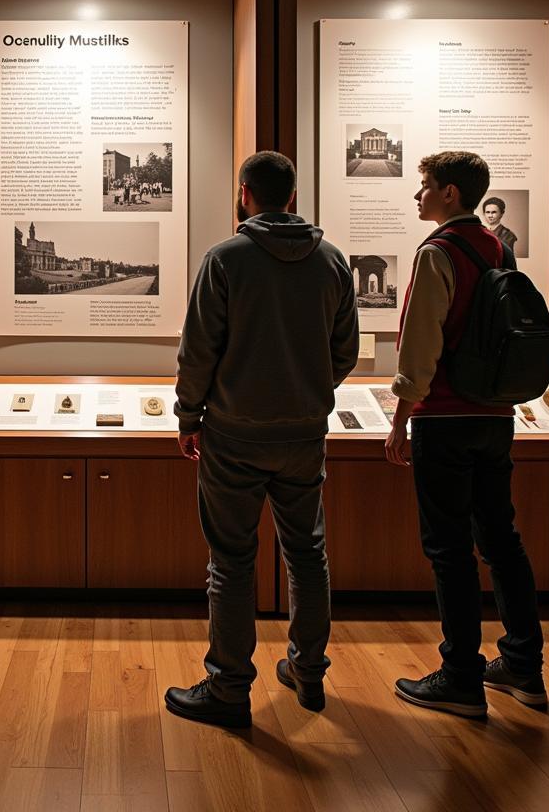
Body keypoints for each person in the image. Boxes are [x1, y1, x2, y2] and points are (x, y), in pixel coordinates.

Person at [164, 151, 359, 727]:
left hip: (232, 435)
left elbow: (199, 347)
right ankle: (309, 670)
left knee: (231, 560)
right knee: (307, 554)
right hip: (303, 434)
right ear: (291, 197)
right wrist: (306, 392)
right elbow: (344, 350)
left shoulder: (224, 259)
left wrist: (188, 414)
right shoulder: (331, 261)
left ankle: (229, 686)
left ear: (245, 192)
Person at [386, 151, 545, 718]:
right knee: (501, 539)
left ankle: (460, 676)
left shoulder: (438, 252)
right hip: (495, 415)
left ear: (450, 194)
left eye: (425, 186)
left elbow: (420, 341)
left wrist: (402, 417)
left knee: (449, 549)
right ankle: (524, 665)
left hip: (446, 417)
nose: (418, 195)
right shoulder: (497, 247)